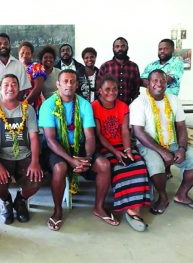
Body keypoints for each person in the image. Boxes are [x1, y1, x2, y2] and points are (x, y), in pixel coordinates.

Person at [39, 69, 117, 231]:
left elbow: (89, 137)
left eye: (72, 81)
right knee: (60, 168)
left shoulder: (84, 104)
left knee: (103, 165)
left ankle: (99, 207)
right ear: (58, 84)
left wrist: (87, 158)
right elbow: (51, 140)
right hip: (56, 149)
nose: (69, 84)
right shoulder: (48, 105)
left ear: (77, 85)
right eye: (65, 81)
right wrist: (71, 160)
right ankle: (57, 211)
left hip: (80, 147)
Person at [130, 69, 193, 215]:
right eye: (155, 80)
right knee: (156, 165)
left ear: (167, 83)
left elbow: (181, 126)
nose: (159, 84)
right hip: (148, 144)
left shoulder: (173, 100)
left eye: (162, 80)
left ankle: (182, 195)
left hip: (172, 143)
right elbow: (139, 133)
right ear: (148, 83)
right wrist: (162, 152)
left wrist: (181, 148)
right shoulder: (139, 102)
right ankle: (162, 197)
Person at [92, 74, 151, 232]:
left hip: (122, 145)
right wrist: (115, 152)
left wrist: (127, 150)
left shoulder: (123, 106)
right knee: (119, 169)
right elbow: (99, 135)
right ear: (100, 91)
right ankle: (129, 208)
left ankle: (135, 208)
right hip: (104, 147)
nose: (111, 92)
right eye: (107, 89)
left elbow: (125, 131)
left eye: (114, 89)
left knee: (139, 165)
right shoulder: (94, 106)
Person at [0, 74, 43, 224]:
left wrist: (35, 161)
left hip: (25, 156)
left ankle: (21, 200)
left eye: (14, 84)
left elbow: (34, 137)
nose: (10, 88)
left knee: (36, 180)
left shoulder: (28, 109)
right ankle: (6, 201)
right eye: (6, 85)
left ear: (19, 88)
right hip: (3, 157)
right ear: (0, 89)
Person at [96, 37, 141, 105]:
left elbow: (136, 92)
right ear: (113, 49)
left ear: (127, 48)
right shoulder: (105, 66)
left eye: (123, 46)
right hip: (108, 108)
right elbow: (98, 90)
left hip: (127, 108)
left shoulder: (134, 67)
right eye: (117, 46)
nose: (120, 49)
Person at [18, 41, 47, 110]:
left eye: (28, 53)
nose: (25, 55)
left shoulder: (36, 67)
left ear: (31, 55)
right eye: (22, 53)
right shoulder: (15, 68)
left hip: (34, 104)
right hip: (17, 105)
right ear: (18, 54)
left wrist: (24, 105)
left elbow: (38, 88)